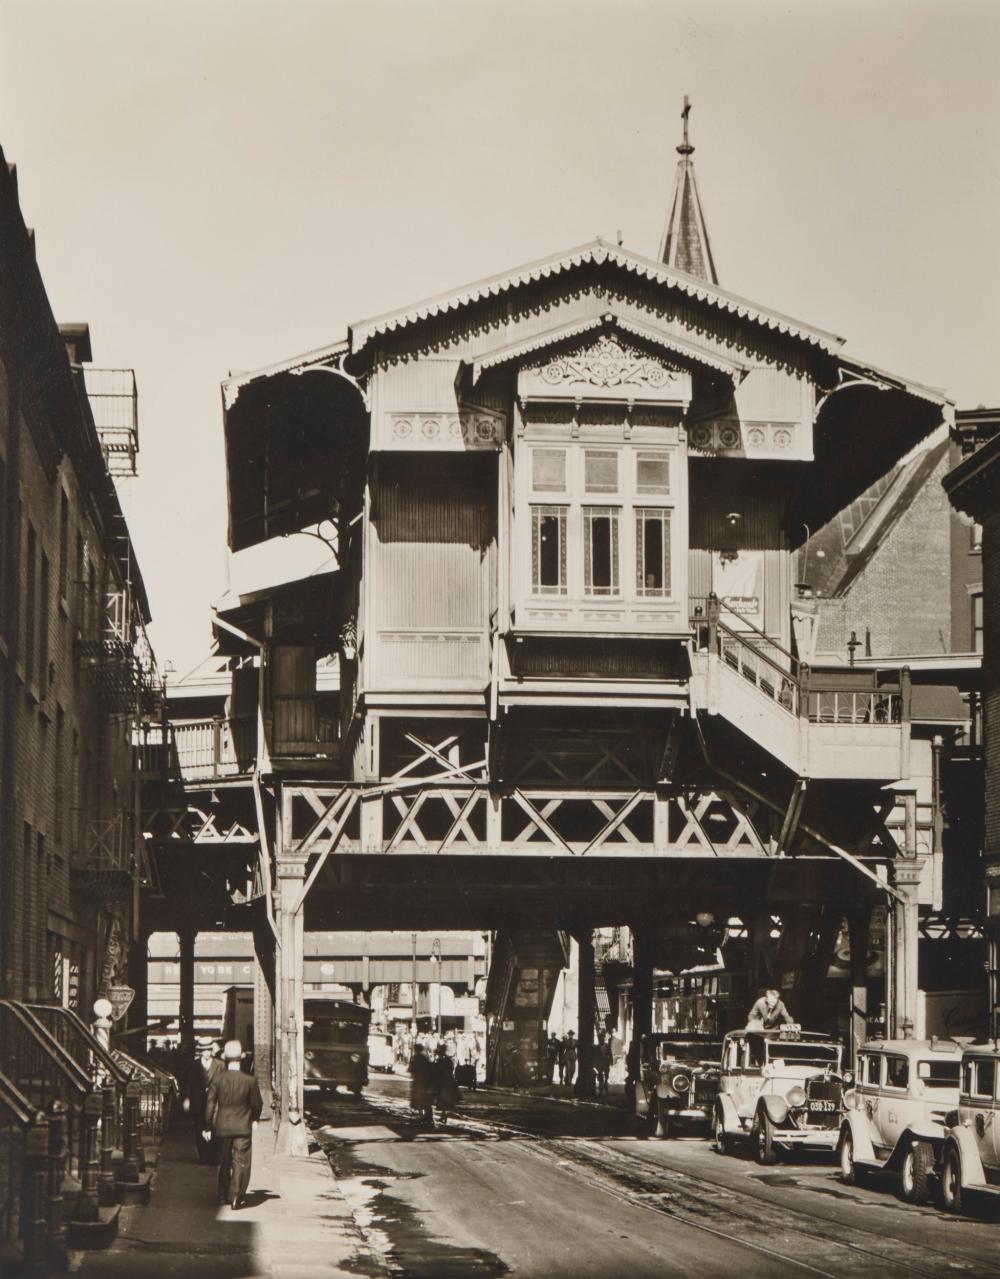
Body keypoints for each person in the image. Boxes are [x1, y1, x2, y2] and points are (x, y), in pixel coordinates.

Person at [203, 1040, 263, 1211]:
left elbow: (210, 1104)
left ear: (224, 1057)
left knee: (224, 1160)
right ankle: (235, 1195)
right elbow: (257, 1104)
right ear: (242, 1057)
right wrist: (254, 1119)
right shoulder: (250, 1081)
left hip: (222, 1126)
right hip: (243, 1127)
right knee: (239, 1160)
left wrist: (207, 1126)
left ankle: (222, 1194)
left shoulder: (218, 1079)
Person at [186, 1039, 223, 1165]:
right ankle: (203, 1156)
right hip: (198, 1102)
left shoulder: (220, 1065)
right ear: (200, 1051)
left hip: (215, 1102)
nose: (207, 1053)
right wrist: (187, 1098)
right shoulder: (194, 1065)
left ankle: (213, 1156)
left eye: (208, 1050)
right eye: (204, 1050)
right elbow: (189, 1083)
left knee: (214, 1128)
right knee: (199, 1129)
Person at [409, 1041, 435, 1127]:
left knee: (419, 1099)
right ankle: (428, 1116)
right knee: (426, 1100)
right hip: (426, 1081)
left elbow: (412, 1069)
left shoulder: (415, 1057)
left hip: (419, 1081)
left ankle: (423, 1116)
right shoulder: (425, 1057)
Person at [433, 1043, 458, 1125]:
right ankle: (444, 1115)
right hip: (448, 1081)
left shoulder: (443, 1060)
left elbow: (438, 1070)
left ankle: (444, 1116)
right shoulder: (448, 1060)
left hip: (443, 1082)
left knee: (443, 1099)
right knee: (444, 1100)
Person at [595, 1032, 613, 1097]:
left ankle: (606, 1089)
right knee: (600, 1077)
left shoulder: (607, 1046)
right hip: (600, 1063)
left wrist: (610, 1061)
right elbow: (596, 1056)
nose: (602, 1038)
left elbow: (610, 1054)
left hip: (606, 1063)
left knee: (606, 1076)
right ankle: (601, 1091)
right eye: (600, 1037)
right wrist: (595, 1063)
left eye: (603, 1037)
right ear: (599, 1039)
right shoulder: (597, 1047)